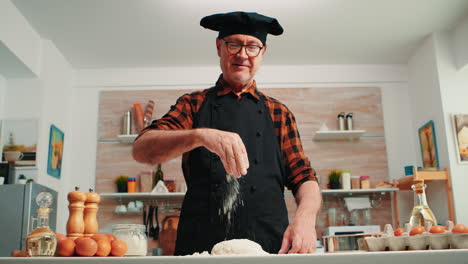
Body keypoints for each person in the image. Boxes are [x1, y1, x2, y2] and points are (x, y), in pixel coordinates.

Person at [133, 11, 321, 255]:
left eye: (252, 46)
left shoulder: (279, 113)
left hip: (270, 246)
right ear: (219, 47)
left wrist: (305, 219)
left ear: (262, 52)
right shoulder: (193, 104)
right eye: (234, 44)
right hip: (200, 249)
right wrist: (201, 136)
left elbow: (303, 176)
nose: (242, 54)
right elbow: (142, 149)